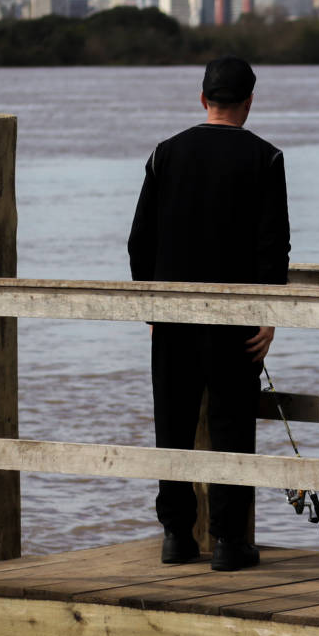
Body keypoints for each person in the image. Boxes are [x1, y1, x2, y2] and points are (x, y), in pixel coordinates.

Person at [127, 55, 288, 571]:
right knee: (231, 426)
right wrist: (268, 315)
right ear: (249, 102)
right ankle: (227, 542)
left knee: (172, 424)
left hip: (172, 315)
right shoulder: (266, 158)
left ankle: (176, 537)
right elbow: (273, 248)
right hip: (235, 319)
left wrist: (151, 305)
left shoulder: (165, 154)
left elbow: (139, 241)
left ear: (203, 99)